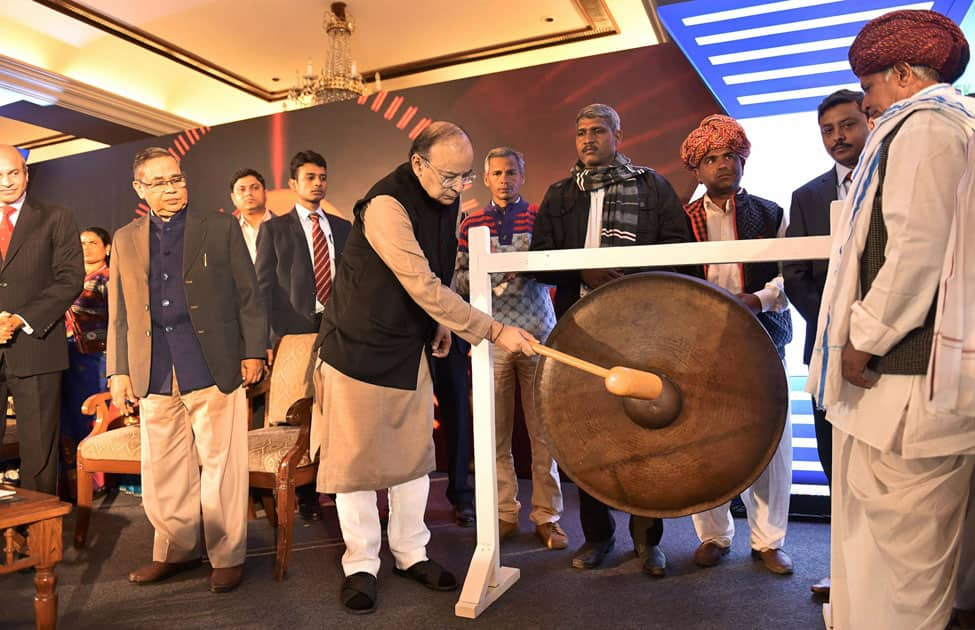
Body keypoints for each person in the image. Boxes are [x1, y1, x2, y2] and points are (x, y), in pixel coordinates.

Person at [311, 122, 537, 614]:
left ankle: (411, 553)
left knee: (413, 460)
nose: (459, 188)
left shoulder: (444, 192)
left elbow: (436, 269)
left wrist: (442, 325)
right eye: (451, 177)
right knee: (356, 467)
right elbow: (420, 283)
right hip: (356, 348)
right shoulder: (385, 206)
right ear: (418, 164)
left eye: (465, 177)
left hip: (406, 345)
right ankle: (361, 564)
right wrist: (494, 331)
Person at [806, 10, 975, 629]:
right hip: (911, 383)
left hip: (906, 380)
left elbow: (916, 252)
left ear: (904, 73)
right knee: (905, 542)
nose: (869, 103)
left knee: (906, 551)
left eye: (871, 87)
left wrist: (862, 337)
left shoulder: (927, 129)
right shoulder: (939, 126)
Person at [530, 103, 695, 576]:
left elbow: (679, 249)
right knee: (588, 432)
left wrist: (630, 276)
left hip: (644, 324)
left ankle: (648, 542)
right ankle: (598, 537)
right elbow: (539, 261)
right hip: (579, 328)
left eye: (598, 131)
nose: (587, 139)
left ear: (618, 135)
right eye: (581, 132)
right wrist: (583, 268)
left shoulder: (650, 186)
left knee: (645, 428)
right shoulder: (561, 194)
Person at [107, 147, 266, 594]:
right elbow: (119, 311)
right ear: (139, 189)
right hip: (153, 367)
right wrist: (118, 371)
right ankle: (175, 551)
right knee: (163, 469)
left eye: (177, 179)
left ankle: (227, 555)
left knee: (222, 466)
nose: (173, 188)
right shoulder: (124, 238)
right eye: (159, 183)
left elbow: (248, 295)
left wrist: (253, 350)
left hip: (212, 363)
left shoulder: (218, 226)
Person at [680, 114, 795, 576]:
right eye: (712, 158)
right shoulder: (680, 220)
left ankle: (769, 541)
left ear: (743, 160)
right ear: (697, 169)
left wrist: (759, 298)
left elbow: (793, 276)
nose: (723, 164)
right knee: (698, 438)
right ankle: (714, 534)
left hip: (763, 338)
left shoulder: (770, 213)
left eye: (730, 155)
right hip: (698, 346)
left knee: (772, 440)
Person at [454, 146, 566, 549]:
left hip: (539, 336)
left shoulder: (539, 217)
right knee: (494, 435)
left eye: (511, 172)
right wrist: (493, 272)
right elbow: (458, 280)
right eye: (497, 173)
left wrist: (529, 265)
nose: (504, 180)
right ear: (486, 178)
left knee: (544, 434)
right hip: (492, 338)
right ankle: (503, 514)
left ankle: (547, 516)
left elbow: (556, 266)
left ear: (522, 175)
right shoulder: (471, 222)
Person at [782, 89, 869, 596]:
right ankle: (847, 574)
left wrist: (873, 328)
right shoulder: (808, 195)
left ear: (868, 122)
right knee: (833, 456)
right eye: (828, 130)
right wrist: (840, 325)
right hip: (826, 348)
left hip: (893, 348)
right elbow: (795, 275)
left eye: (848, 125)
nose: (838, 137)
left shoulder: (891, 178)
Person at [0, 144, 84, 494]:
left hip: (35, 346)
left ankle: (37, 539)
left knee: (38, 454)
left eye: (13, 173)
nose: (6, 182)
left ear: (26, 174)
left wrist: (19, 318)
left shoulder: (56, 217)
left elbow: (70, 278)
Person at [59, 227, 112, 501]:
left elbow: (118, 320)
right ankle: (69, 483)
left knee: (89, 418)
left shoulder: (109, 278)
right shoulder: (64, 280)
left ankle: (94, 482)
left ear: (107, 248)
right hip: (63, 356)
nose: (86, 247)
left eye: (93, 242)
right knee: (65, 419)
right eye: (81, 242)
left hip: (94, 360)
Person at [230, 168, 273, 263]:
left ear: (265, 194)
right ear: (233, 198)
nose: (248, 193)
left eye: (255, 188)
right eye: (242, 189)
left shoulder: (286, 227)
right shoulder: (226, 232)